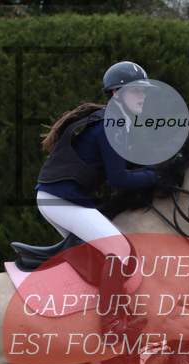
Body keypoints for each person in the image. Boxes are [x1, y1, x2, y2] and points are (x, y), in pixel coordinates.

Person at [36, 61, 159, 338]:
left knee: (97, 259)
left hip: (58, 198)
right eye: (136, 90)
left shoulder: (113, 121)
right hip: (62, 200)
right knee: (120, 250)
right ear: (116, 93)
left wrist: (151, 171)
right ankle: (111, 324)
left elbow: (125, 169)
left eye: (144, 90)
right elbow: (119, 179)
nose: (143, 95)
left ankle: (89, 319)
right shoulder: (111, 123)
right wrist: (154, 177)